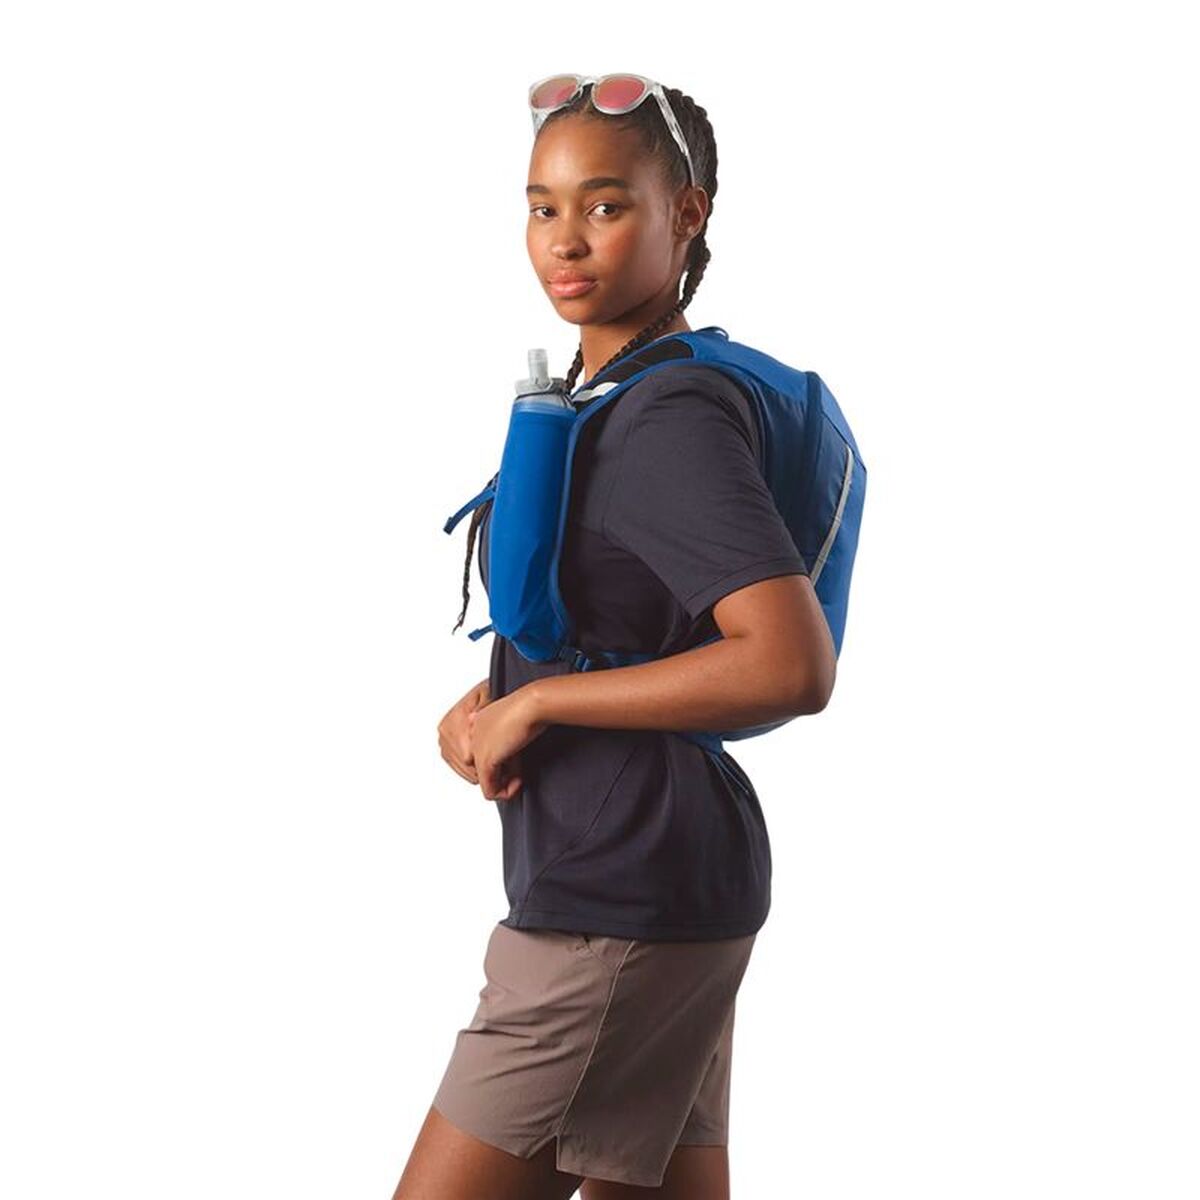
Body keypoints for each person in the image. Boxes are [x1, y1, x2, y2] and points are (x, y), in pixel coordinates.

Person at [393, 74, 838, 1200]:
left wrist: (542, 702)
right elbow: (628, 621)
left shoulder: (668, 415)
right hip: (659, 876)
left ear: (686, 213)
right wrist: (499, 697)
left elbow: (789, 662)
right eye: (542, 207)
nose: (565, 240)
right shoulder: (616, 394)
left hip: (618, 895)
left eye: (605, 204)